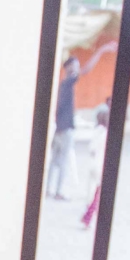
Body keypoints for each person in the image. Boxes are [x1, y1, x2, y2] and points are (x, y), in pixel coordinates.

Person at [49, 54, 83, 200]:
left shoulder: (63, 84)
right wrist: (101, 51)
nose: (77, 69)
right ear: (69, 67)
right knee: (63, 161)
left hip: (59, 128)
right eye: (75, 65)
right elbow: (85, 71)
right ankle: (58, 191)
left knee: (54, 161)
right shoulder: (68, 82)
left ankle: (48, 189)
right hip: (65, 129)